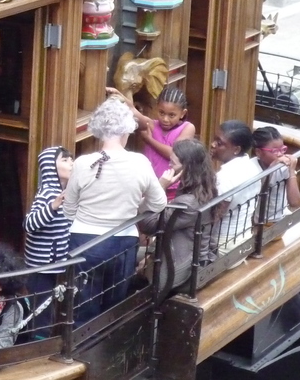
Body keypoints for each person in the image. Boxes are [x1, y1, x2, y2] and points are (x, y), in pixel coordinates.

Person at [63, 97, 167, 322]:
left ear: (99, 130)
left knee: (82, 307)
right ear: (126, 130)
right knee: (114, 307)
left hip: (83, 241)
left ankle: (81, 343)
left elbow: (68, 209)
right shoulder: (139, 162)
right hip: (123, 240)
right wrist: (135, 209)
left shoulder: (82, 163)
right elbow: (159, 203)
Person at [139, 139, 219, 292]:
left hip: (182, 267)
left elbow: (149, 226)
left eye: (173, 163)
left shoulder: (188, 202)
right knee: (130, 255)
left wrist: (159, 187)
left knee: (124, 262)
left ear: (186, 167)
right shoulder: (203, 187)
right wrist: (150, 255)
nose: (169, 165)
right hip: (186, 253)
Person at [107, 86, 195, 200]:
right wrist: (118, 94)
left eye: (171, 115)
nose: (165, 119)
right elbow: (132, 110)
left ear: (182, 113)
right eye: (161, 113)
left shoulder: (187, 128)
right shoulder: (151, 125)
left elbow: (174, 153)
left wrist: (149, 140)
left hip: (173, 189)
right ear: (157, 108)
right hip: (148, 187)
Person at [23, 146, 75, 337]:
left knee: (48, 308)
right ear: (50, 167)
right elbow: (29, 224)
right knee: (41, 312)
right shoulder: (47, 193)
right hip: (41, 266)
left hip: (54, 264)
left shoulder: (65, 192)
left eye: (71, 159)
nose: (71, 163)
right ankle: (38, 346)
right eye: (65, 160)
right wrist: (53, 206)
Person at [210, 120, 261, 255]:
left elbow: (215, 216)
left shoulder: (225, 177)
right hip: (244, 238)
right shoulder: (252, 167)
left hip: (224, 245)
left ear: (236, 150)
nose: (213, 144)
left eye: (219, 143)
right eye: (214, 139)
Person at [252, 126, 300, 223]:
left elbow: (294, 202)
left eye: (282, 149)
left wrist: (291, 170)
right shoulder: (251, 167)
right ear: (258, 152)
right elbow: (259, 193)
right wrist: (271, 168)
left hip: (283, 216)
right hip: (259, 221)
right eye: (274, 151)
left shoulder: (283, 166)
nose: (280, 154)